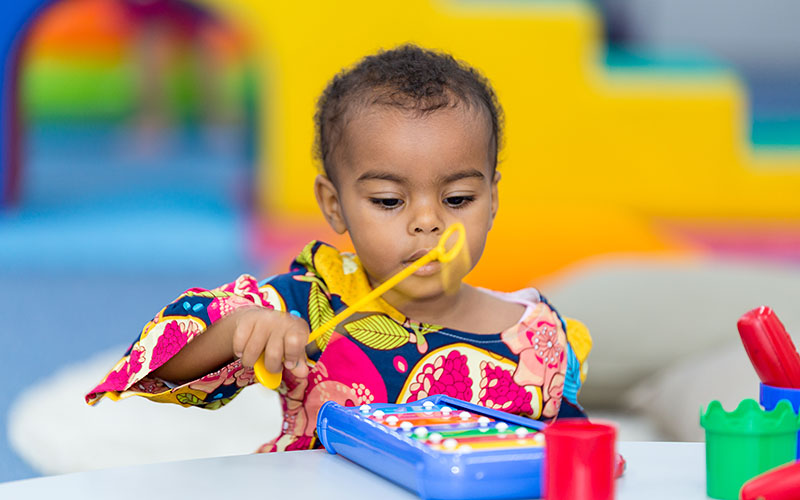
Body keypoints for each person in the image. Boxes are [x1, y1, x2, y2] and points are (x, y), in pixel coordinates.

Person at [85, 44, 592, 452]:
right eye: (389, 200)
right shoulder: (309, 304)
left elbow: (570, 457)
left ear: (493, 199)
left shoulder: (538, 337)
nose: (427, 221)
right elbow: (160, 363)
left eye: (458, 198)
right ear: (334, 205)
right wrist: (238, 331)